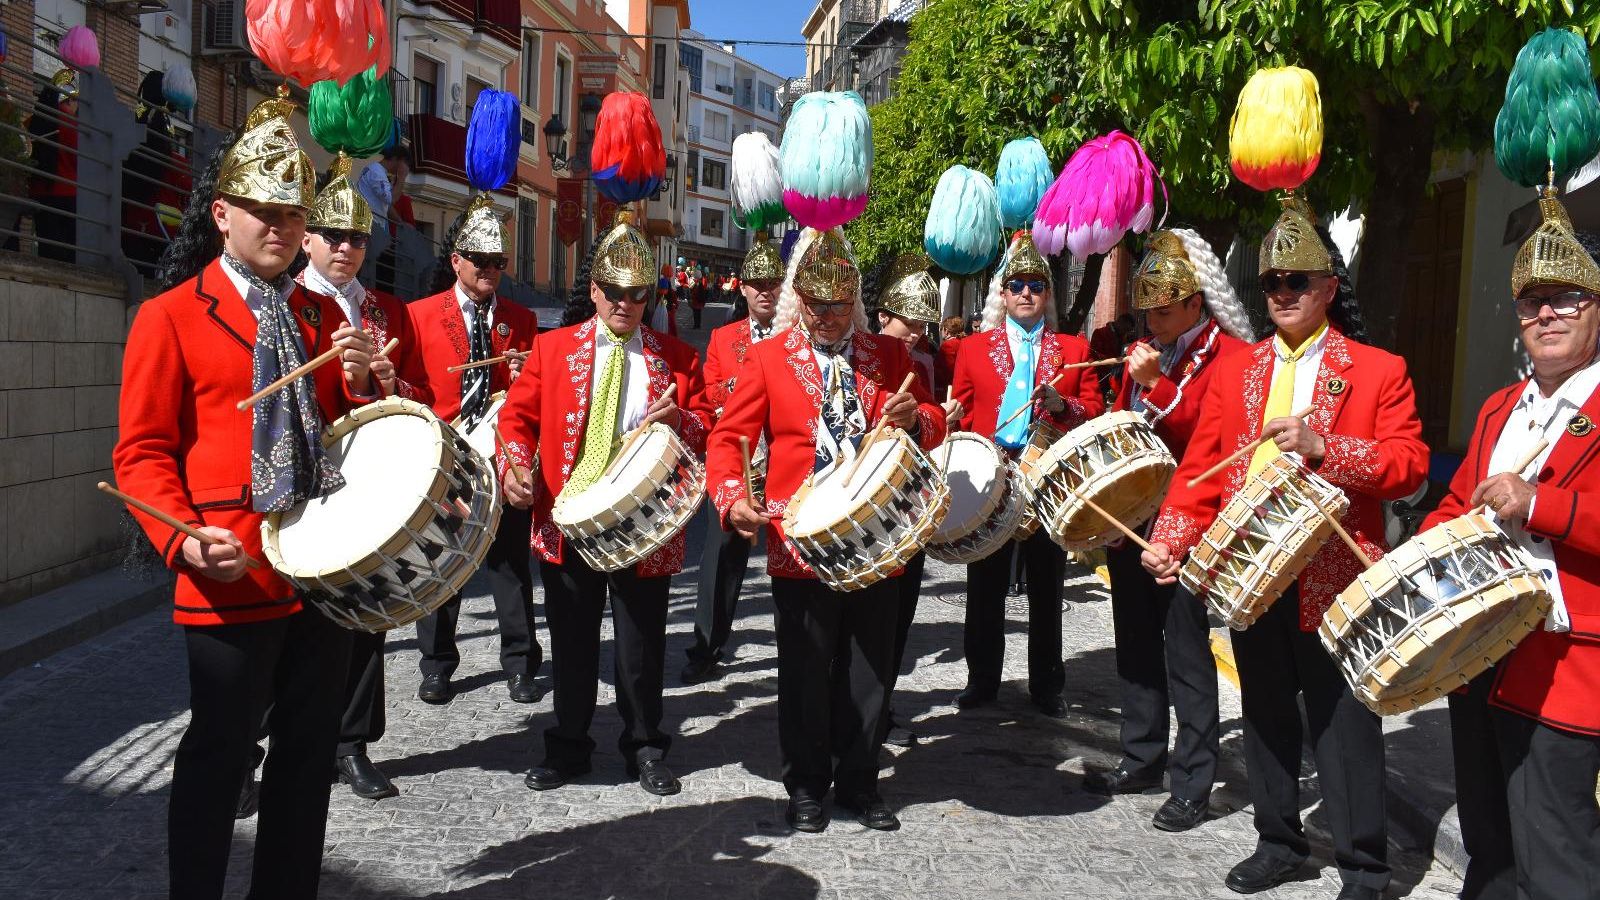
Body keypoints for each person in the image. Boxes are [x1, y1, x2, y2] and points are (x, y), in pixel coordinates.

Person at [112, 98, 376, 900]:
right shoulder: (168, 318)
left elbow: (340, 433)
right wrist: (184, 540)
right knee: (218, 757)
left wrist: (362, 381)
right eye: (262, 212)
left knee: (306, 755)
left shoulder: (314, 313)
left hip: (320, 575)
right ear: (221, 213)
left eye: (293, 215)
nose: (281, 228)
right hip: (229, 572)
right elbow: (141, 454)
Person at [1142, 197, 1427, 900]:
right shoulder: (1237, 372)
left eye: (1298, 281)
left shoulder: (1377, 368)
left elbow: (1410, 464)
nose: (1284, 294)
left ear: (1329, 288)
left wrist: (1329, 447)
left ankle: (1365, 866)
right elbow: (1199, 473)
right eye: (1272, 282)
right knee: (1266, 716)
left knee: (1344, 726)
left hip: (1334, 578)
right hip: (1250, 575)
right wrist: (1171, 540)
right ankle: (1279, 842)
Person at [707, 226, 947, 832]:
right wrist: (733, 496)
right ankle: (807, 784)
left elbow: (940, 423)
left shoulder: (890, 357)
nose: (828, 318)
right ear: (798, 300)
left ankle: (861, 783)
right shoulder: (766, 359)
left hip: (878, 536)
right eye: (816, 306)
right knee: (807, 670)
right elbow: (729, 437)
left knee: (870, 669)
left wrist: (916, 418)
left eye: (840, 307)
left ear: (856, 302)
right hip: (800, 542)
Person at [1431, 74, 1600, 899]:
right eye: (1533, 301)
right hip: (1479, 657)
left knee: (1558, 861)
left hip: (1568, 671)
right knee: (1489, 851)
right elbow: (1454, 503)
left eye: (1568, 297)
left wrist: (1543, 506)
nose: (1549, 313)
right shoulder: (1500, 404)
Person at [498, 210, 712, 798]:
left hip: (647, 524)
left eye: (637, 293)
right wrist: (516, 468)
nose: (624, 303)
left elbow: (708, 428)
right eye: (614, 292)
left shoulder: (678, 359)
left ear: (649, 295)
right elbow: (515, 420)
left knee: (642, 645)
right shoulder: (550, 349)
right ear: (594, 290)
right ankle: (568, 746)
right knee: (571, 642)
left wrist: (683, 420)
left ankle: (644, 746)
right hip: (569, 523)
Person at [1085, 229, 1252, 833]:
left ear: (1194, 303)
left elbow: (1208, 444)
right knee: (1134, 642)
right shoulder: (1147, 349)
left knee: (1186, 653)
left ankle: (1194, 779)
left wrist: (1157, 385)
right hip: (1137, 518)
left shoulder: (1232, 359)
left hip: (1193, 526)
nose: (1152, 321)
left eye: (1163, 310)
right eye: (1147, 310)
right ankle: (1142, 754)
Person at [297, 155, 431, 801]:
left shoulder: (388, 311)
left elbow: (420, 397)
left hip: (371, 484)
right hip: (300, 487)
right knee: (290, 625)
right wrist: (345, 385)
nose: (348, 248)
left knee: (366, 619)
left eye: (358, 237)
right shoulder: (285, 303)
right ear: (307, 238)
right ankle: (262, 747)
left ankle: (352, 745)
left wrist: (384, 381)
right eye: (335, 236)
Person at [951, 230, 1104, 718]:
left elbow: (1095, 414)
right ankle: (982, 680)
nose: (1025, 293)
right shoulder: (972, 349)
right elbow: (962, 414)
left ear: (1048, 294)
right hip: (992, 482)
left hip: (1049, 479)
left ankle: (1046, 684)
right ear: (1002, 292)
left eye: (1035, 285)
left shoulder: (1074, 348)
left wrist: (1064, 405)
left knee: (1046, 584)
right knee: (986, 583)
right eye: (1016, 284)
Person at [407, 194, 541, 706]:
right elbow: (413, 387)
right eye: (479, 260)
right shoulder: (419, 316)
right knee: (440, 561)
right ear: (456, 260)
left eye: (498, 262)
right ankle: (437, 663)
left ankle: (520, 661)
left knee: (509, 562)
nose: (489, 270)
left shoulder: (519, 319)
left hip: (498, 454)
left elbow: (525, 393)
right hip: (445, 455)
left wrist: (520, 368)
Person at [682, 232, 784, 685]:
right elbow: (710, 395)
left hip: (784, 463)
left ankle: (803, 650)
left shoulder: (796, 337)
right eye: (756, 282)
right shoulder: (724, 339)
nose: (765, 290)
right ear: (742, 287)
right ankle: (706, 646)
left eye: (774, 281)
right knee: (719, 559)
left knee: (794, 558)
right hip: (737, 463)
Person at [872, 252, 957, 746]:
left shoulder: (930, 357)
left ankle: (881, 704)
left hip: (911, 496)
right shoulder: (864, 356)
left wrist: (938, 417)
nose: (918, 333)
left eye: (924, 324)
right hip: (866, 497)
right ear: (884, 316)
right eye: (910, 323)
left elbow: (933, 422)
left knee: (899, 612)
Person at [28, 70, 79, 263]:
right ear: (69, 100)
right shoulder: (73, 124)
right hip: (67, 195)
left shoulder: (40, 117)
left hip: (41, 192)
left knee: (47, 248)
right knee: (66, 252)